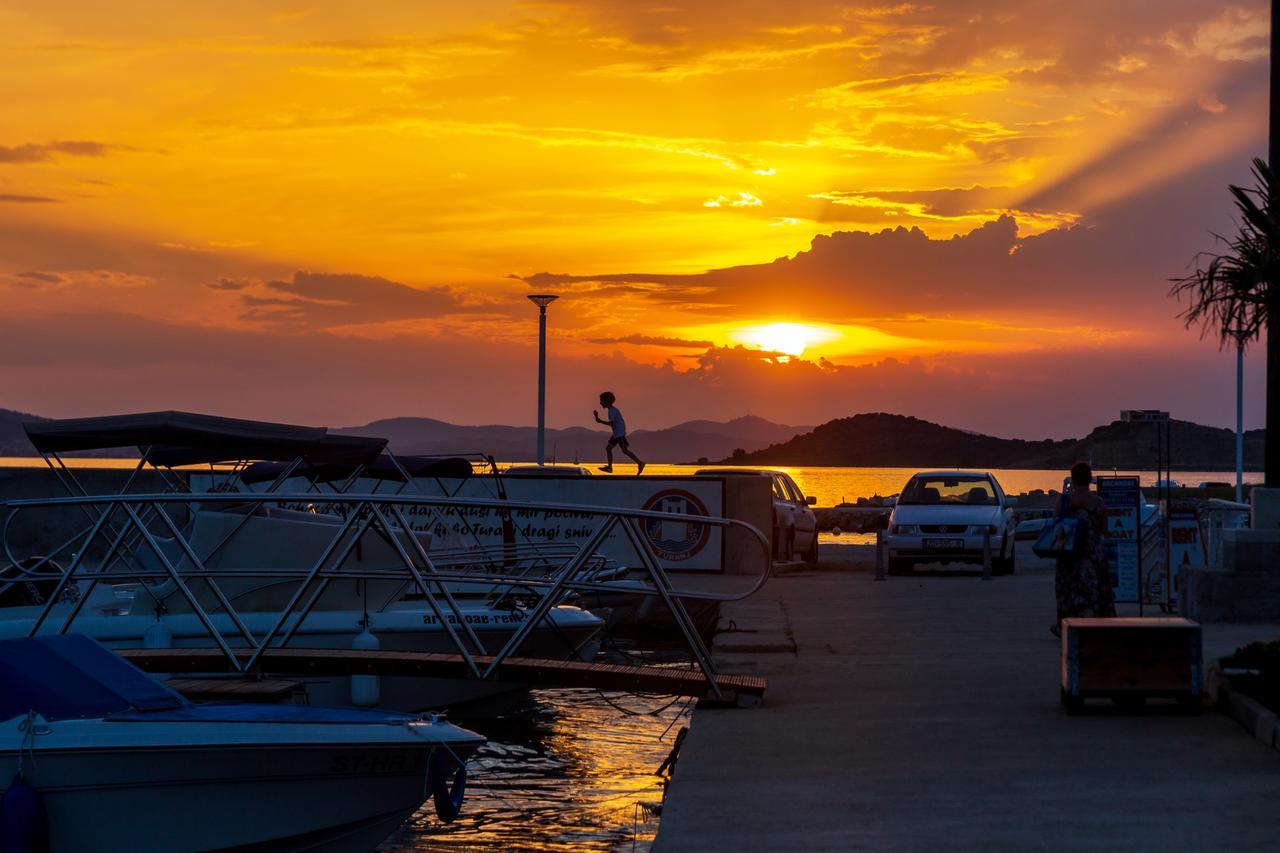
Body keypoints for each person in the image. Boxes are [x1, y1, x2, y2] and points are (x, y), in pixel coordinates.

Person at [1052, 461, 1115, 636]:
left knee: (1068, 591)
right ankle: (1095, 624)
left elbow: (1055, 523)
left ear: (1073, 479)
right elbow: (1104, 529)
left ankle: (1066, 625)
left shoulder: (1064, 501)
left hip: (1069, 554)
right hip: (1092, 554)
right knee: (1094, 590)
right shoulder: (1098, 502)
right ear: (1089, 480)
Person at [593, 391, 645, 474]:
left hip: (619, 433)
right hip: (617, 433)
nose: (600, 403)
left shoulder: (612, 412)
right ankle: (610, 468)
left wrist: (599, 421)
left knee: (624, 450)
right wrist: (598, 418)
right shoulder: (612, 410)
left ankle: (640, 463)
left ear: (607, 401)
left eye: (602, 400)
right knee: (608, 448)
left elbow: (611, 423)